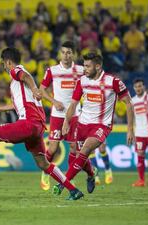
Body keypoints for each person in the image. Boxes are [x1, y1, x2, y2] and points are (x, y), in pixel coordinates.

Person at [0, 47, 84, 200]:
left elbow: (26, 77)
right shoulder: (20, 86)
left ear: (8, 62)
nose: (3, 66)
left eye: (3, 63)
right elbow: (19, 103)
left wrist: (36, 89)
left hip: (27, 123)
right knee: (44, 164)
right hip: (37, 127)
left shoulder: (16, 71)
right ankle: (73, 190)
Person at [53, 53, 134, 196]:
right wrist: (66, 121)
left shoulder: (113, 82)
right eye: (84, 65)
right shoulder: (82, 81)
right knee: (79, 156)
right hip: (82, 124)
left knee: (85, 150)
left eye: (88, 66)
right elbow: (73, 104)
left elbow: (129, 103)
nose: (85, 69)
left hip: (102, 126)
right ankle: (91, 174)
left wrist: (130, 129)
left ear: (98, 66)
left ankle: (62, 184)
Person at [39, 41, 84, 191]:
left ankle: (68, 179)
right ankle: (45, 173)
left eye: (69, 52)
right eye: (63, 52)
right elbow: (42, 90)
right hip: (57, 115)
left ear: (74, 54)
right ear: (60, 54)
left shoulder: (81, 70)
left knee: (74, 147)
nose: (66, 55)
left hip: (75, 114)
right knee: (53, 148)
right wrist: (54, 101)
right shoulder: (52, 70)